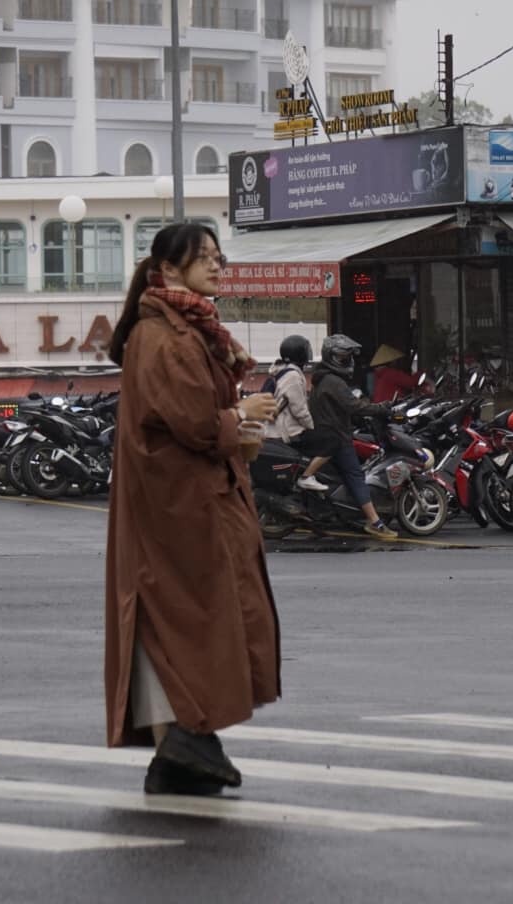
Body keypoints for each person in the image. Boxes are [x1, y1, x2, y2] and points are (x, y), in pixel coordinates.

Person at [104, 222, 282, 796]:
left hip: (186, 498)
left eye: (218, 256)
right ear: (170, 269)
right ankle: (185, 736)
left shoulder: (184, 330)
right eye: (202, 258)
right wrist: (240, 414)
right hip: (178, 504)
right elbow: (191, 422)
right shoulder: (165, 337)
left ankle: (180, 746)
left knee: (179, 621)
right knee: (185, 620)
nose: (216, 266)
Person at [309, 333, 398, 540]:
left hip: (328, 431)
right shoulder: (333, 381)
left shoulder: (323, 378)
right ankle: (375, 522)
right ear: (331, 357)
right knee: (355, 476)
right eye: (342, 357)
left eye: (348, 357)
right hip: (336, 436)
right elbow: (353, 405)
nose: (347, 361)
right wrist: (380, 408)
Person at [265, 335, 327, 492]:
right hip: (285, 432)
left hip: (274, 429)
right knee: (332, 441)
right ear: (300, 354)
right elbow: (299, 410)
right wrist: (312, 426)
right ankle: (306, 477)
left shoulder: (281, 371)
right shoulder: (293, 376)